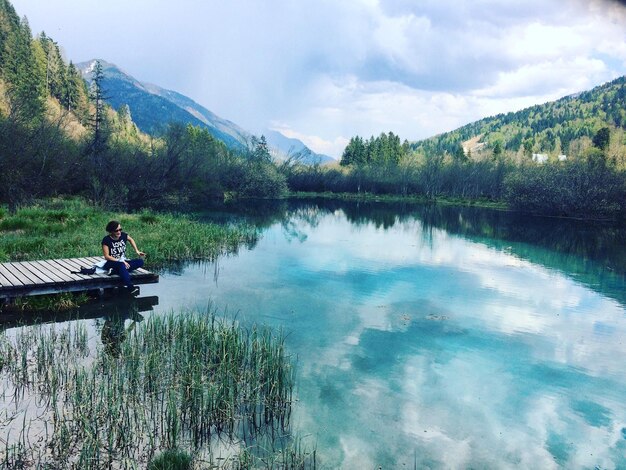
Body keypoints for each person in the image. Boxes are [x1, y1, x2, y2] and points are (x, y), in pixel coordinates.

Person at [102, 220, 146, 295]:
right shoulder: (106, 240)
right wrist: (120, 261)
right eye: (116, 230)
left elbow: (131, 239)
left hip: (123, 261)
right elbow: (107, 256)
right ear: (111, 231)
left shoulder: (123, 235)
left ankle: (114, 271)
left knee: (140, 262)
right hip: (111, 262)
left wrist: (137, 251)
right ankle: (130, 287)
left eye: (120, 229)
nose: (119, 232)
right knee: (122, 265)